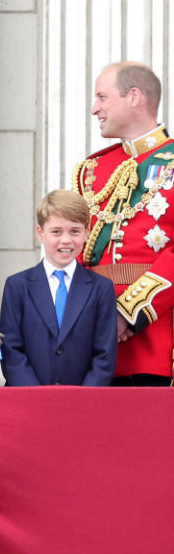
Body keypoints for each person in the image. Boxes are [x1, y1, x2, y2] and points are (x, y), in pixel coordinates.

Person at [73, 61, 174, 385]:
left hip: (154, 335)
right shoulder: (93, 170)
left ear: (134, 96)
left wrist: (127, 311)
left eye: (102, 97)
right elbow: (75, 248)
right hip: (89, 334)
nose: (94, 109)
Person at [0, 190, 117, 386]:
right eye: (56, 231)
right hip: (29, 400)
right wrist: (37, 396)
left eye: (74, 231)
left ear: (87, 233)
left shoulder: (101, 288)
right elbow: (11, 349)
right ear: (40, 233)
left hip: (83, 402)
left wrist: (83, 398)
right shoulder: (17, 286)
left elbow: (105, 353)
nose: (66, 240)